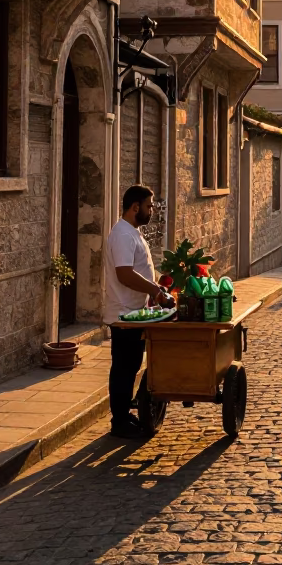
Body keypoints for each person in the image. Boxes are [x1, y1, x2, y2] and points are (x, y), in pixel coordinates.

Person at [104, 184, 174, 437]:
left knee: (130, 366)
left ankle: (123, 416)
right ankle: (119, 422)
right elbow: (124, 274)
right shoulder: (122, 234)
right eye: (149, 206)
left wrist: (155, 289)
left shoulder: (132, 232)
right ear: (135, 207)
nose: (152, 210)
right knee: (123, 369)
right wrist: (156, 291)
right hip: (124, 313)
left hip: (134, 311)